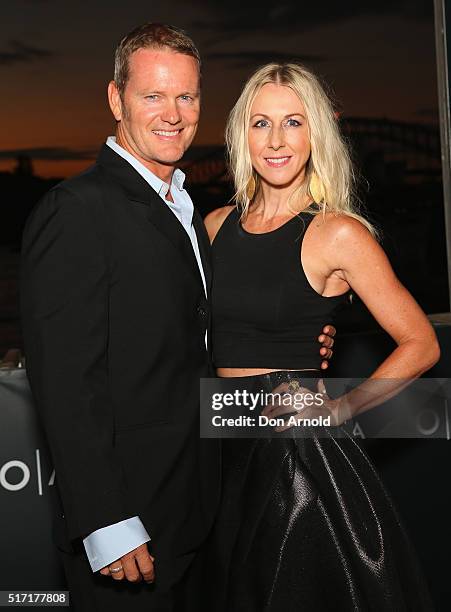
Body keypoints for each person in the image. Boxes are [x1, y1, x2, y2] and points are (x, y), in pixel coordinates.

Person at [20, 26, 334, 611]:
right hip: (129, 530)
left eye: (186, 97)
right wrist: (106, 521)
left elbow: (195, 335)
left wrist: (305, 330)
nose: (173, 114)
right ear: (116, 99)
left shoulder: (191, 211)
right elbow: (65, 382)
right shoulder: (78, 211)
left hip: (203, 510)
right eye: (153, 96)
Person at [204, 62, 439, 611]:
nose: (277, 141)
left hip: (297, 457)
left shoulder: (337, 232)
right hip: (222, 441)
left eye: (294, 122)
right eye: (261, 123)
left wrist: (343, 408)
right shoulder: (215, 227)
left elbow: (421, 343)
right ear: (242, 133)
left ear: (316, 134)